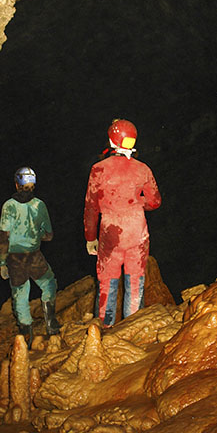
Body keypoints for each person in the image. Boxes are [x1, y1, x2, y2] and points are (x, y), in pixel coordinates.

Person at [83, 119, 161, 327]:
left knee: (108, 282)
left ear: (111, 139)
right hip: (137, 232)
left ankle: (105, 329)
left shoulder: (98, 169)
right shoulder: (142, 169)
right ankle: (132, 328)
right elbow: (155, 202)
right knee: (135, 281)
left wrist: (90, 238)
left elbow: (91, 207)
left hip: (111, 234)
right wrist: (137, 202)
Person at [0, 166, 60, 342]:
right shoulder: (39, 205)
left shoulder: (8, 206)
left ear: (17, 184)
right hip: (34, 255)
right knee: (48, 284)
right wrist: (35, 235)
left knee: (20, 294)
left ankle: (26, 335)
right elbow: (48, 235)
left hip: (15, 258)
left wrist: (2, 263)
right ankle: (51, 324)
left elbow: (4, 237)